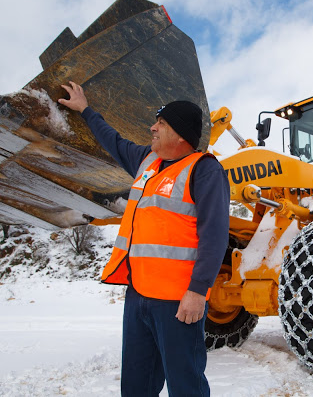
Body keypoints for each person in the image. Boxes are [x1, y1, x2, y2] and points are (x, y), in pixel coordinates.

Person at [59, 81, 230, 396]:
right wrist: (85, 109)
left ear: (180, 135)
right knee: (136, 384)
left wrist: (197, 292)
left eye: (161, 124)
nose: (152, 128)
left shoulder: (204, 170)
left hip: (178, 303)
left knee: (186, 385)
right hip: (138, 297)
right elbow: (113, 141)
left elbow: (215, 235)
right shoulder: (147, 162)